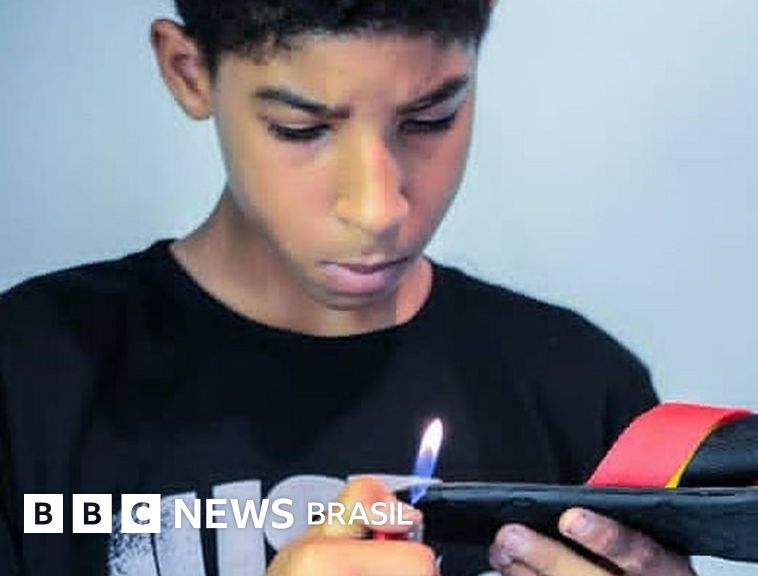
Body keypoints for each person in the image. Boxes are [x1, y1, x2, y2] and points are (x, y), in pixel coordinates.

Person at [0, 1, 696, 575]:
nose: (378, 208)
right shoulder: (31, 374)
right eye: (301, 129)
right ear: (188, 72)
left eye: (430, 119)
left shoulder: (580, 393)